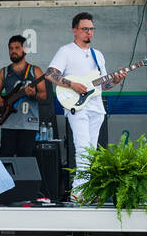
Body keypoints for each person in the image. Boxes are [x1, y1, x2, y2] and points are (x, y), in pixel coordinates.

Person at [47, 12, 122, 192]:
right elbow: (50, 74)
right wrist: (72, 84)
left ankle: (86, 190)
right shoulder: (66, 51)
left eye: (91, 29)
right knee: (82, 148)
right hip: (78, 107)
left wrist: (116, 80)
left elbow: (104, 84)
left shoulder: (98, 55)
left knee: (90, 151)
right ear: (75, 31)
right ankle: (78, 192)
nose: (89, 32)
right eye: (85, 29)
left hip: (97, 107)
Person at [0, 35, 48, 157]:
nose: (13, 51)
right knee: (6, 158)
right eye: (11, 48)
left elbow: (43, 95)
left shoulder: (35, 70)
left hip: (29, 124)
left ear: (25, 50)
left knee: (25, 160)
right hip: (8, 122)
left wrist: (34, 94)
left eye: (17, 48)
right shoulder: (4, 71)